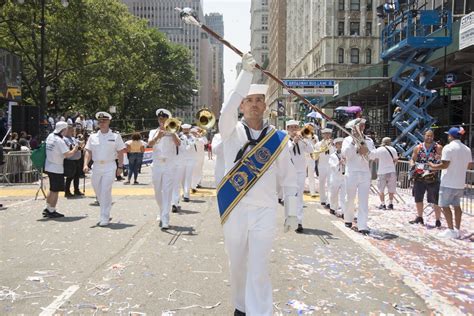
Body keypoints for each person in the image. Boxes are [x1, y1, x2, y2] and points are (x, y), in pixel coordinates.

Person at [218, 53, 298, 315]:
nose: (254, 105)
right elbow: (225, 110)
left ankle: (259, 311)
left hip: (264, 209)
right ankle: (241, 306)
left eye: (258, 101)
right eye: (248, 100)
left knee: (259, 266)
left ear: (266, 106)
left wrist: (293, 211)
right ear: (241, 106)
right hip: (235, 208)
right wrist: (245, 74)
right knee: (238, 263)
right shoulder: (230, 131)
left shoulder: (279, 139)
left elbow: (289, 178)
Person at [83, 112, 126, 227]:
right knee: (97, 190)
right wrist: (85, 164)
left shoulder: (115, 136)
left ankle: (104, 216)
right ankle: (106, 207)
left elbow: (121, 151)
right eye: (100, 121)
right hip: (96, 166)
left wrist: (120, 166)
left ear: (109, 122)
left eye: (104, 121)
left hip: (109, 166)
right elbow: (88, 151)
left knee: (105, 190)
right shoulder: (92, 137)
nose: (102, 123)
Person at [429, 127, 473, 238]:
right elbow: (470, 165)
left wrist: (433, 166)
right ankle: (457, 229)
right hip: (459, 182)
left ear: (450, 136)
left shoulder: (448, 148)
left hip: (448, 182)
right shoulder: (467, 149)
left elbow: (445, 165)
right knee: (457, 206)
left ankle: (450, 230)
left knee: (444, 205)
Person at [341, 118, 376, 234]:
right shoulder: (347, 140)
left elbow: (373, 156)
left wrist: (367, 151)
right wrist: (353, 143)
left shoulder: (369, 140)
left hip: (365, 173)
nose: (361, 128)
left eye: (362, 126)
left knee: (364, 200)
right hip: (351, 172)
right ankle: (348, 218)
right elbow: (346, 155)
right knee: (350, 198)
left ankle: (362, 225)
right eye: (358, 126)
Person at [148, 109, 181, 229]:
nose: (161, 121)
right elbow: (150, 144)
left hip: (169, 165)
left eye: (164, 119)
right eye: (160, 119)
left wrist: (172, 133)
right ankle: (161, 210)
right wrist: (158, 136)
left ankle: (166, 217)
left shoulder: (173, 131)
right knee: (157, 191)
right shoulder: (153, 131)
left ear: (168, 120)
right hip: (157, 164)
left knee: (167, 191)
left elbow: (178, 144)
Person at [43, 122, 79, 218]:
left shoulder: (50, 136)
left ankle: (48, 208)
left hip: (48, 165)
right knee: (55, 190)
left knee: (51, 188)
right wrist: (75, 149)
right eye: (66, 128)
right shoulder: (59, 140)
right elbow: (67, 154)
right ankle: (52, 210)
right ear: (63, 129)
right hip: (57, 167)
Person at [409, 130, 442, 227]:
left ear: (433, 136)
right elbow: (412, 159)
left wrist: (436, 167)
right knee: (418, 198)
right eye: (427, 136)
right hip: (419, 177)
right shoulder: (418, 147)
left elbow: (443, 161)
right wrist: (412, 165)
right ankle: (420, 217)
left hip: (432, 177)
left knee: (436, 199)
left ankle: (438, 220)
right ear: (424, 136)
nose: (429, 138)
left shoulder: (438, 148)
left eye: (431, 136)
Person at [286, 120, 314, 233]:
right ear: (287, 129)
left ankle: (299, 222)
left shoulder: (303, 139)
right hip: (288, 172)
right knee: (290, 197)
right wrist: (293, 142)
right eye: (291, 127)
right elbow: (286, 151)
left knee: (299, 197)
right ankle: (291, 219)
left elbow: (311, 150)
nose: (294, 130)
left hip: (300, 172)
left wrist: (305, 140)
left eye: (296, 127)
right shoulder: (284, 140)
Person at [373, 137, 398, 209]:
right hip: (391, 170)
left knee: (381, 189)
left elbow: (375, 159)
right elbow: (396, 159)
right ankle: (390, 203)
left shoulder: (379, 150)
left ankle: (383, 204)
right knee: (391, 188)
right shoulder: (393, 149)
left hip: (382, 171)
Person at [314, 128, 333, 208]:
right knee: (321, 183)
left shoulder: (334, 144)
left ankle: (329, 201)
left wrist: (331, 145)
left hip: (330, 165)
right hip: (321, 165)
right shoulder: (318, 144)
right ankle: (322, 199)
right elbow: (315, 156)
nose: (327, 135)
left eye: (328, 133)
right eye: (325, 134)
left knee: (330, 183)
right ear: (322, 135)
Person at [179, 124, 197, 202]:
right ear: (182, 130)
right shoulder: (180, 137)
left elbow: (191, 147)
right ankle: (184, 191)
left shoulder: (193, 138)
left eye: (187, 129)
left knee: (188, 177)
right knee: (182, 178)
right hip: (182, 159)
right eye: (184, 129)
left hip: (191, 159)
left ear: (189, 129)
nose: (186, 131)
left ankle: (186, 195)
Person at [63, 126, 84, 197]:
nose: (73, 132)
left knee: (77, 176)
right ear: (67, 131)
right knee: (70, 177)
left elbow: (80, 146)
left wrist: (81, 141)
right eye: (72, 130)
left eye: (73, 131)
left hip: (77, 160)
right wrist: (78, 147)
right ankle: (67, 191)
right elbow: (71, 147)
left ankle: (76, 190)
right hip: (70, 160)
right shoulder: (65, 139)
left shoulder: (73, 138)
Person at [328, 138, 346, 216]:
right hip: (335, 177)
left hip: (344, 177)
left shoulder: (346, 154)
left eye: (342, 143)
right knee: (333, 194)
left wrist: (345, 161)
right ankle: (333, 207)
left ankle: (344, 211)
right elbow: (332, 166)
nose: (341, 145)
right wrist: (339, 163)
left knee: (344, 195)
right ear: (336, 145)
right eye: (339, 144)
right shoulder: (332, 155)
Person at [191, 127, 207, 192]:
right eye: (196, 131)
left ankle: (198, 183)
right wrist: (198, 137)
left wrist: (201, 135)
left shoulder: (201, 138)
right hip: (194, 157)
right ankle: (193, 185)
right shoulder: (192, 139)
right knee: (194, 171)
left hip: (201, 157)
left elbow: (205, 142)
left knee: (199, 170)